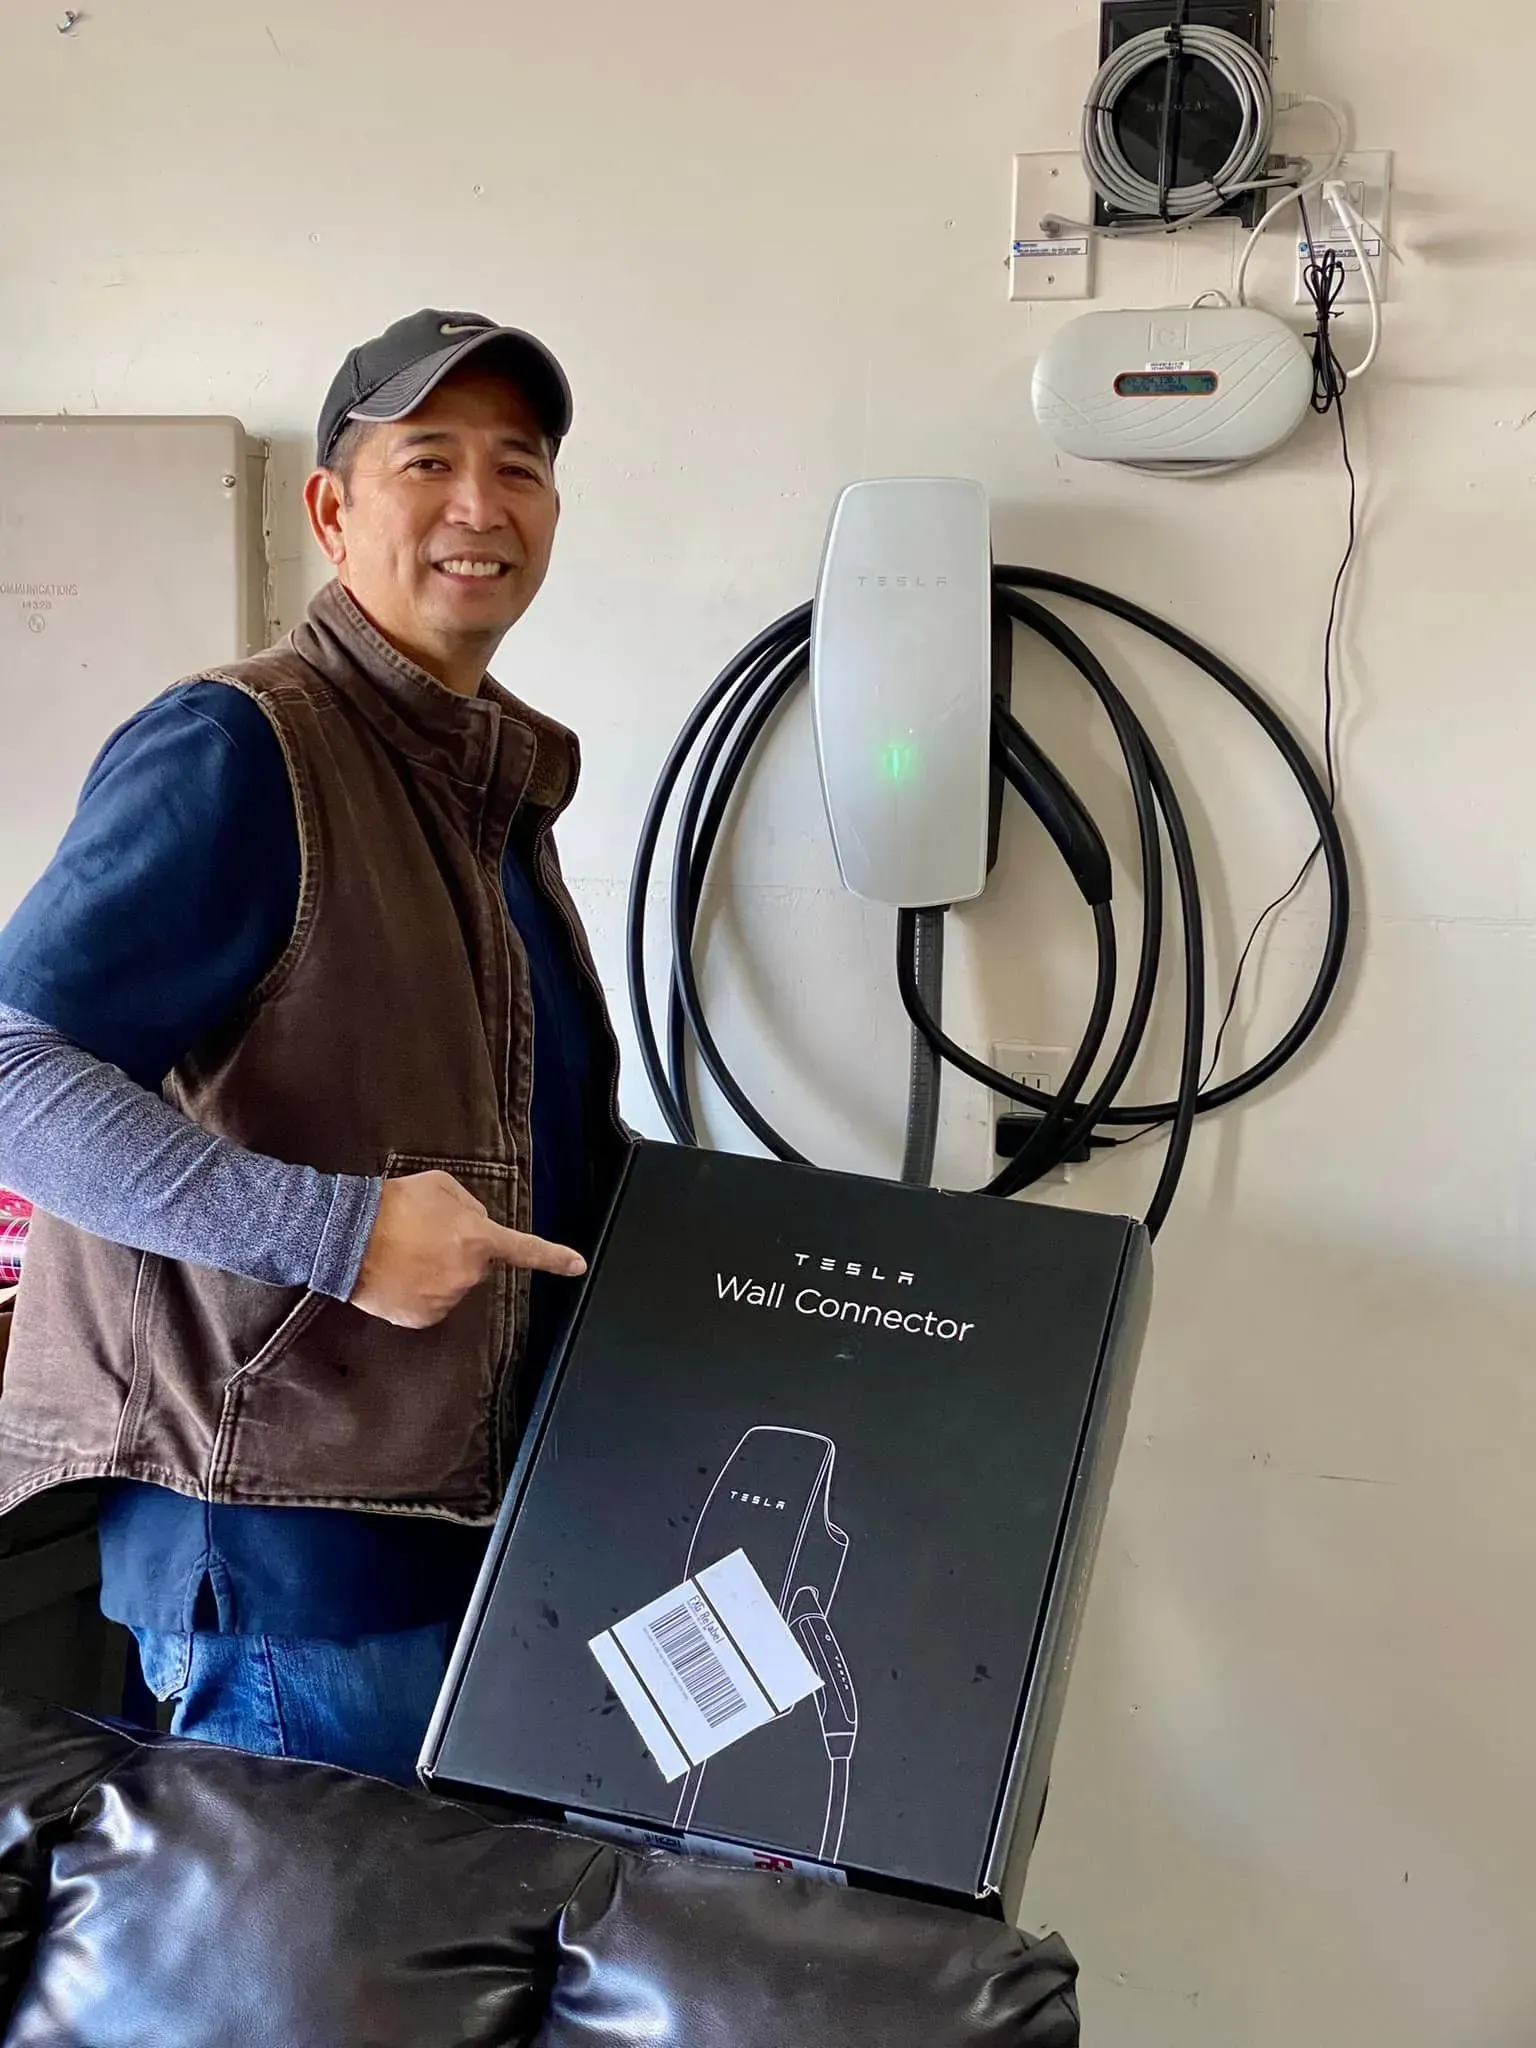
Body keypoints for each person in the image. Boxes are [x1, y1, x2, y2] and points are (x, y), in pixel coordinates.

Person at [0, 309, 629, 1783]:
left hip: (463, 1542)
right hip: (294, 1577)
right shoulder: (243, 748)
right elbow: (12, 1069)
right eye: (430, 461)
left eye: (520, 467)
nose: (482, 506)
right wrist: (340, 1236)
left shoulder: (482, 790)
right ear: (333, 510)